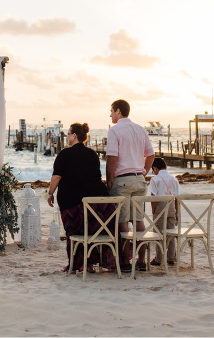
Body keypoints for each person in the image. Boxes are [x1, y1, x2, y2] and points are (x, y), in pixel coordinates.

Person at [46, 123, 117, 273]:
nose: (66, 136)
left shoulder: (64, 154)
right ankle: (89, 264)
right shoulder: (92, 154)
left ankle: (74, 265)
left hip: (73, 202)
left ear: (74, 136)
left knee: (73, 233)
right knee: (92, 232)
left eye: (68, 134)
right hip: (97, 203)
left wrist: (50, 193)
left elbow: (57, 176)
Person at [105, 99, 155, 272]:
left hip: (123, 180)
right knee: (139, 220)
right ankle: (142, 261)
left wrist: (108, 179)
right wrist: (144, 172)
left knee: (123, 221)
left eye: (111, 111)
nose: (110, 114)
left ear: (118, 111)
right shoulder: (141, 129)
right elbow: (151, 155)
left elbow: (112, 157)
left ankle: (125, 262)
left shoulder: (115, 130)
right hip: (139, 180)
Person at [148, 157, 180, 267]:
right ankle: (171, 257)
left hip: (160, 207)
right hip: (171, 207)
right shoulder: (174, 179)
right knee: (171, 233)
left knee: (158, 233)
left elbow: (153, 197)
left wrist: (153, 211)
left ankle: (159, 258)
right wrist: (176, 212)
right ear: (165, 167)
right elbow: (176, 197)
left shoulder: (155, 179)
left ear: (155, 168)